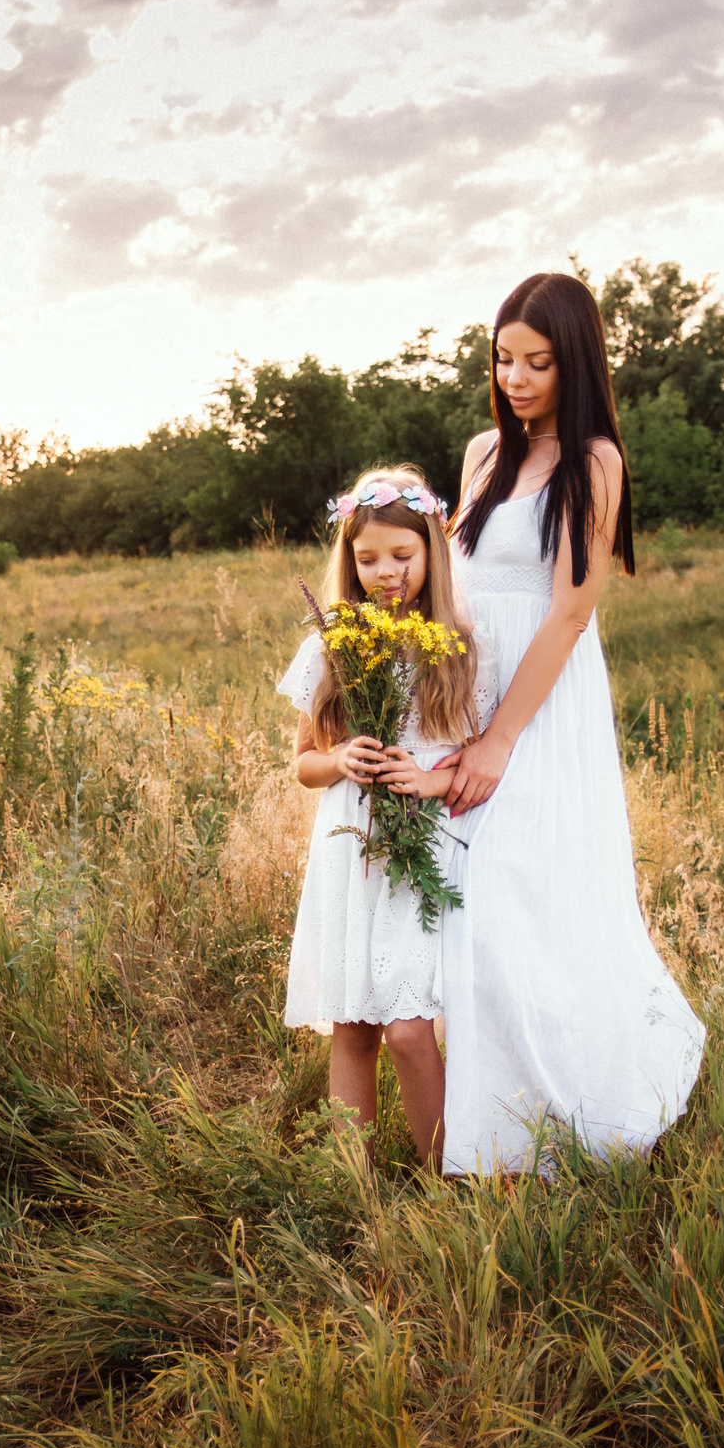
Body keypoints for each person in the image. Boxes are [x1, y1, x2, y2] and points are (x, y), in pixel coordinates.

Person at [436, 273, 704, 1176]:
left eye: (537, 362)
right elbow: (457, 584)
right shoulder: (482, 452)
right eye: (503, 359)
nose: (514, 378)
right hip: (469, 692)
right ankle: (491, 1120)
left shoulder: (594, 462)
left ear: (574, 361)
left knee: (525, 892)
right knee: (469, 903)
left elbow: (569, 613)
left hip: (540, 706)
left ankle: (565, 1109)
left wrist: (500, 737)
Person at [277, 465, 479, 1170]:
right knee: (353, 1025)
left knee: (410, 1030)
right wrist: (341, 759)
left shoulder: (456, 648)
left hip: (421, 853)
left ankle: (448, 1179)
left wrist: (428, 778)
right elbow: (303, 762)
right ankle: (353, 1184)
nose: (385, 573)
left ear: (432, 553)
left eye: (401, 555)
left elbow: (480, 761)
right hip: (349, 850)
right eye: (367, 559)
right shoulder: (330, 646)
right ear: (349, 562)